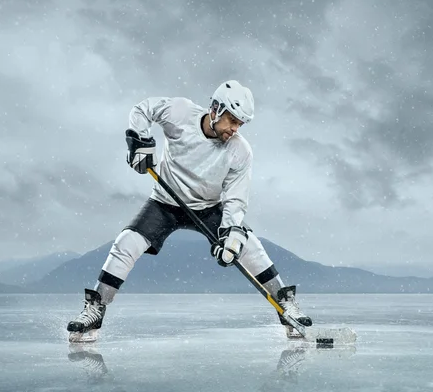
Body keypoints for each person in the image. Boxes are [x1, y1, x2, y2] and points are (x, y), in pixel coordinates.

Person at [66, 80, 312, 342]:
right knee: (127, 243)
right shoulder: (180, 113)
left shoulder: (240, 151)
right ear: (216, 109)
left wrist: (231, 237)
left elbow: (235, 200)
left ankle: (286, 308)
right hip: (164, 202)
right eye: (231, 119)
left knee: (249, 246)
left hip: (209, 209)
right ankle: (95, 309)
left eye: (240, 123)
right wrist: (139, 139)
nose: (234, 129)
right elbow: (142, 109)